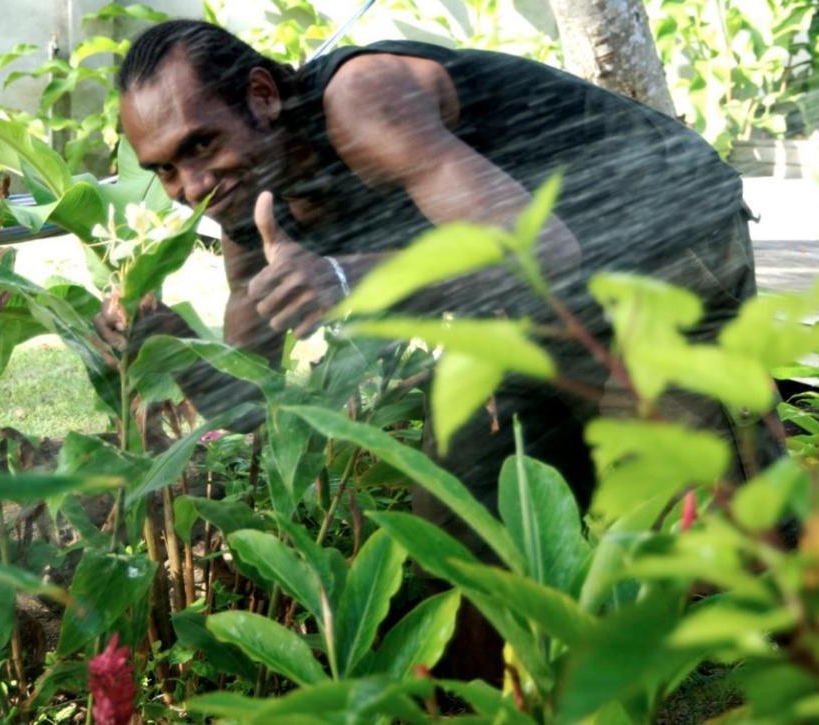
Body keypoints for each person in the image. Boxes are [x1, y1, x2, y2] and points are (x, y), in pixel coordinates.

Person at [100, 19, 781, 674]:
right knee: (461, 517)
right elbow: (248, 398)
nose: (190, 187)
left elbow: (539, 255)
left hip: (659, 240)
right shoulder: (248, 205)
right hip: (527, 302)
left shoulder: (364, 103)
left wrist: (345, 278)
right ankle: (509, 695)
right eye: (162, 170)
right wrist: (167, 345)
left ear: (262, 96)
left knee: (711, 530)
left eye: (199, 146)